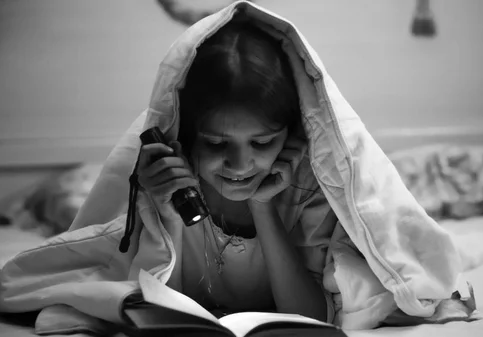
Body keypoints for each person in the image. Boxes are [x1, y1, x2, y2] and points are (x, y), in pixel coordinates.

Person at [135, 19, 337, 322]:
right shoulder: (161, 181)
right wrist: (169, 217)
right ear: (186, 137)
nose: (240, 165)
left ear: (290, 138)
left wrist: (262, 206)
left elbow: (310, 319)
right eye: (216, 144)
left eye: (263, 142)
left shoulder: (309, 185)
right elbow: (159, 318)